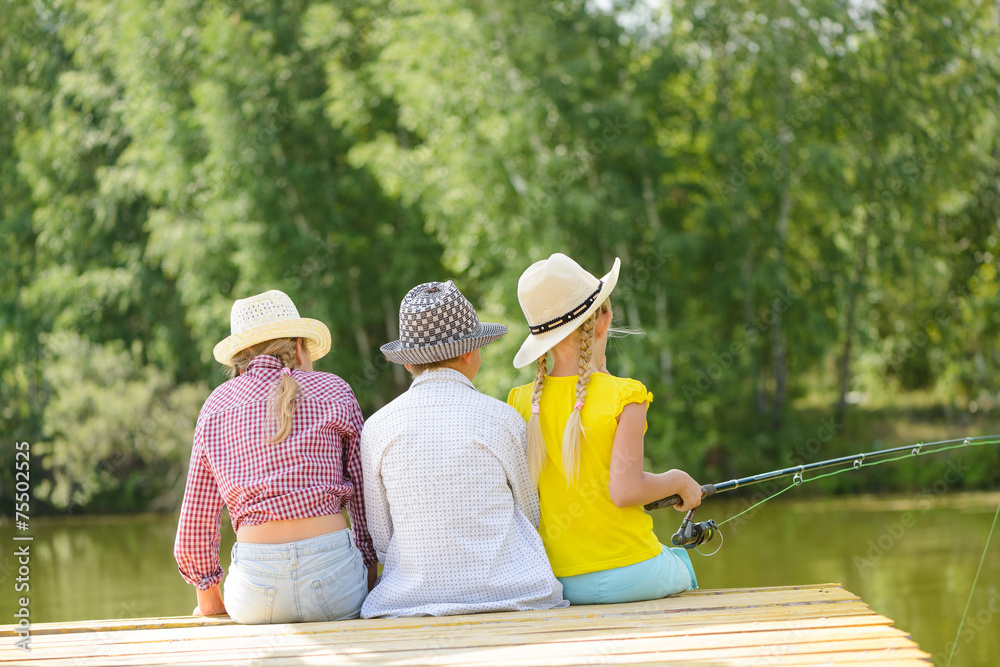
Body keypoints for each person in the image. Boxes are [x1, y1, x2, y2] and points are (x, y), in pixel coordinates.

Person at [360, 280, 568, 618]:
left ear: (408, 363)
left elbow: (381, 537)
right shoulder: (503, 418)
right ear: (471, 352)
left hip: (410, 602)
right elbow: (531, 513)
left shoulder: (377, 427)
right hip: (512, 595)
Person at [507, 253, 701, 605]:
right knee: (682, 565)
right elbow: (625, 491)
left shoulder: (520, 402)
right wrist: (679, 480)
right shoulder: (626, 395)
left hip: (556, 581)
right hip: (632, 573)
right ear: (604, 320)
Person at [173, 290, 377, 624]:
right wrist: (369, 572)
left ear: (238, 360)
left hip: (254, 593)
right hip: (335, 581)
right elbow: (366, 500)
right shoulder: (334, 389)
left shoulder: (216, 406)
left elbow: (197, 519)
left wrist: (208, 597)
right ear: (298, 347)